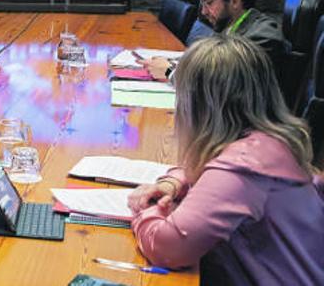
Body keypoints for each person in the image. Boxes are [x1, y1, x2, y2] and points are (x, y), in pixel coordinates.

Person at [128, 36, 324, 284]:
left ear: (198, 103)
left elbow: (168, 248)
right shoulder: (268, 141)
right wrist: (172, 183)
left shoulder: (242, 168)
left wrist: (144, 210)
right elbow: (212, 162)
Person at [142, 0, 287, 80]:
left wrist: (169, 73)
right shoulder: (228, 27)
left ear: (234, 1)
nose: (204, 12)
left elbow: (218, 83)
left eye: (209, 3)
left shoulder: (262, 38)